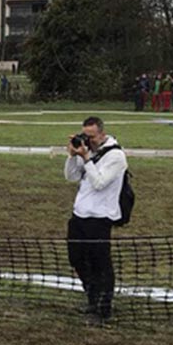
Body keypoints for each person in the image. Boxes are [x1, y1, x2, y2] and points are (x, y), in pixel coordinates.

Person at [65, 116, 128, 326]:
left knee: (101, 264)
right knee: (76, 258)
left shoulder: (116, 156)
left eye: (91, 137)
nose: (88, 141)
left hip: (100, 218)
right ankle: (92, 297)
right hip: (79, 215)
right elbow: (71, 177)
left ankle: (104, 308)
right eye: (86, 136)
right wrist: (73, 156)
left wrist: (86, 159)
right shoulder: (88, 151)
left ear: (102, 134)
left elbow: (99, 183)